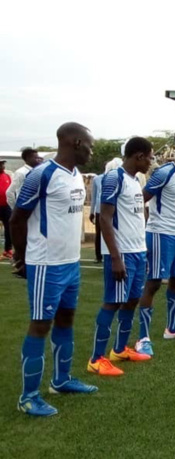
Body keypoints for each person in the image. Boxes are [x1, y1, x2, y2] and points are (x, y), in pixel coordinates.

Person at [14, 122, 98, 416]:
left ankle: (61, 380)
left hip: (70, 262)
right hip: (46, 264)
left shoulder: (75, 176)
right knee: (40, 324)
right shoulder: (43, 174)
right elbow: (17, 218)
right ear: (75, 142)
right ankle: (28, 396)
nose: (92, 149)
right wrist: (22, 258)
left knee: (66, 319)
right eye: (90, 144)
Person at [87, 137, 154, 377]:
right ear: (138, 156)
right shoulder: (113, 178)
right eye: (149, 157)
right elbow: (104, 217)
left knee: (132, 299)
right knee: (113, 302)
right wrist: (115, 257)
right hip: (122, 253)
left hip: (137, 251)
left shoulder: (136, 180)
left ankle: (119, 349)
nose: (150, 162)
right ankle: (96, 359)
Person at [136, 136, 175, 356]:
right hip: (160, 234)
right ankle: (143, 337)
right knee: (153, 283)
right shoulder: (164, 173)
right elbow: (140, 199)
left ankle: (172, 329)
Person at [90, 171, 104, 263]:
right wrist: (92, 212)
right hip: (99, 210)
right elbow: (94, 196)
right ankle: (98, 255)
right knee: (99, 233)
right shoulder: (97, 179)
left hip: (111, 209)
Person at [0, 160, 11, 259]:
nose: (2, 166)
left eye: (3, 164)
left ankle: (7, 250)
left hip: (6, 206)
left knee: (9, 228)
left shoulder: (6, 176)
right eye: (0, 164)